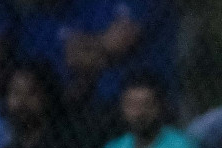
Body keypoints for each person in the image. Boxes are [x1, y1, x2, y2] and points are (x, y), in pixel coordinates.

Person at [13, 0, 178, 110]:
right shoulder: (86, 5)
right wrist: (102, 45)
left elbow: (119, 42)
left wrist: (93, 47)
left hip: (149, 100)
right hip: (97, 102)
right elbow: (74, 57)